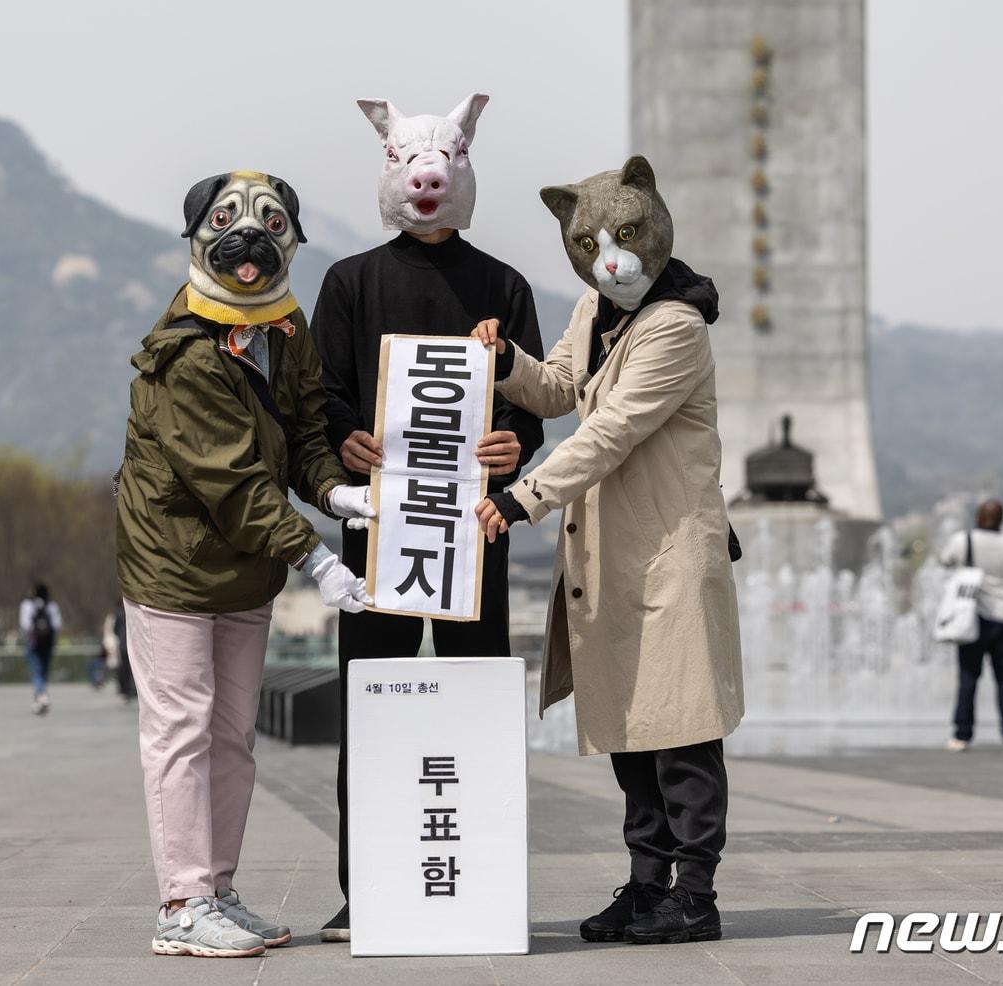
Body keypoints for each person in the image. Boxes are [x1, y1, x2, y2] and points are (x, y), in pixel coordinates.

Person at [474, 156, 743, 946]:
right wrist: (505, 364)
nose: (609, 255)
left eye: (624, 236)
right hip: (613, 554)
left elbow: (611, 429)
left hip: (666, 552)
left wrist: (522, 497)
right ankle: (646, 882)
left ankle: (695, 893)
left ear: (654, 221)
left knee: (682, 730)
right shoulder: (597, 307)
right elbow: (560, 387)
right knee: (632, 727)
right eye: (589, 242)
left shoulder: (676, 327)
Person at [116, 170, 374, 959]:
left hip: (243, 571)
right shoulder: (188, 354)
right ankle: (181, 904)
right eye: (226, 220)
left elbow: (298, 432)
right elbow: (233, 482)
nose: (248, 236)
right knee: (181, 731)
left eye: (269, 221)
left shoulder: (286, 330)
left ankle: (217, 888)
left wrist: (335, 490)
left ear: (293, 238)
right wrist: (318, 559)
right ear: (195, 239)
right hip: (175, 569)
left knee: (232, 734)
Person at [309, 94, 545, 943]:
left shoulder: (504, 286)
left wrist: (512, 445)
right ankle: (362, 888)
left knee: (476, 702)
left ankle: (476, 880)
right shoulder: (349, 283)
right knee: (369, 706)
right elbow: (322, 399)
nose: (428, 183)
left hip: (474, 534)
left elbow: (533, 406)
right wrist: (348, 440)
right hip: (382, 536)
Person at [939, 499, 1003, 751]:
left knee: (968, 677)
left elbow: (945, 560)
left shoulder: (963, 540)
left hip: (972, 617)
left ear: (978, 517)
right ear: (1000, 519)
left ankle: (961, 734)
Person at [19, 583, 62, 715]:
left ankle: (41, 695)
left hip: (33, 643)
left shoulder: (27, 605)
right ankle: (41, 695)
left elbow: (25, 625)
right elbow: (57, 625)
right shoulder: (52, 606)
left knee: (36, 670)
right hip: (48, 643)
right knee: (43, 671)